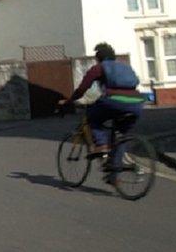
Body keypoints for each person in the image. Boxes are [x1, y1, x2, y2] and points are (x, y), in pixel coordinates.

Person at [58, 42, 146, 179]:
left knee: (92, 116)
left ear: (98, 58)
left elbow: (82, 89)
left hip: (114, 101)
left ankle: (101, 144)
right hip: (137, 104)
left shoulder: (99, 68)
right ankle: (113, 174)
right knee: (121, 136)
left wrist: (69, 101)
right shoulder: (125, 67)